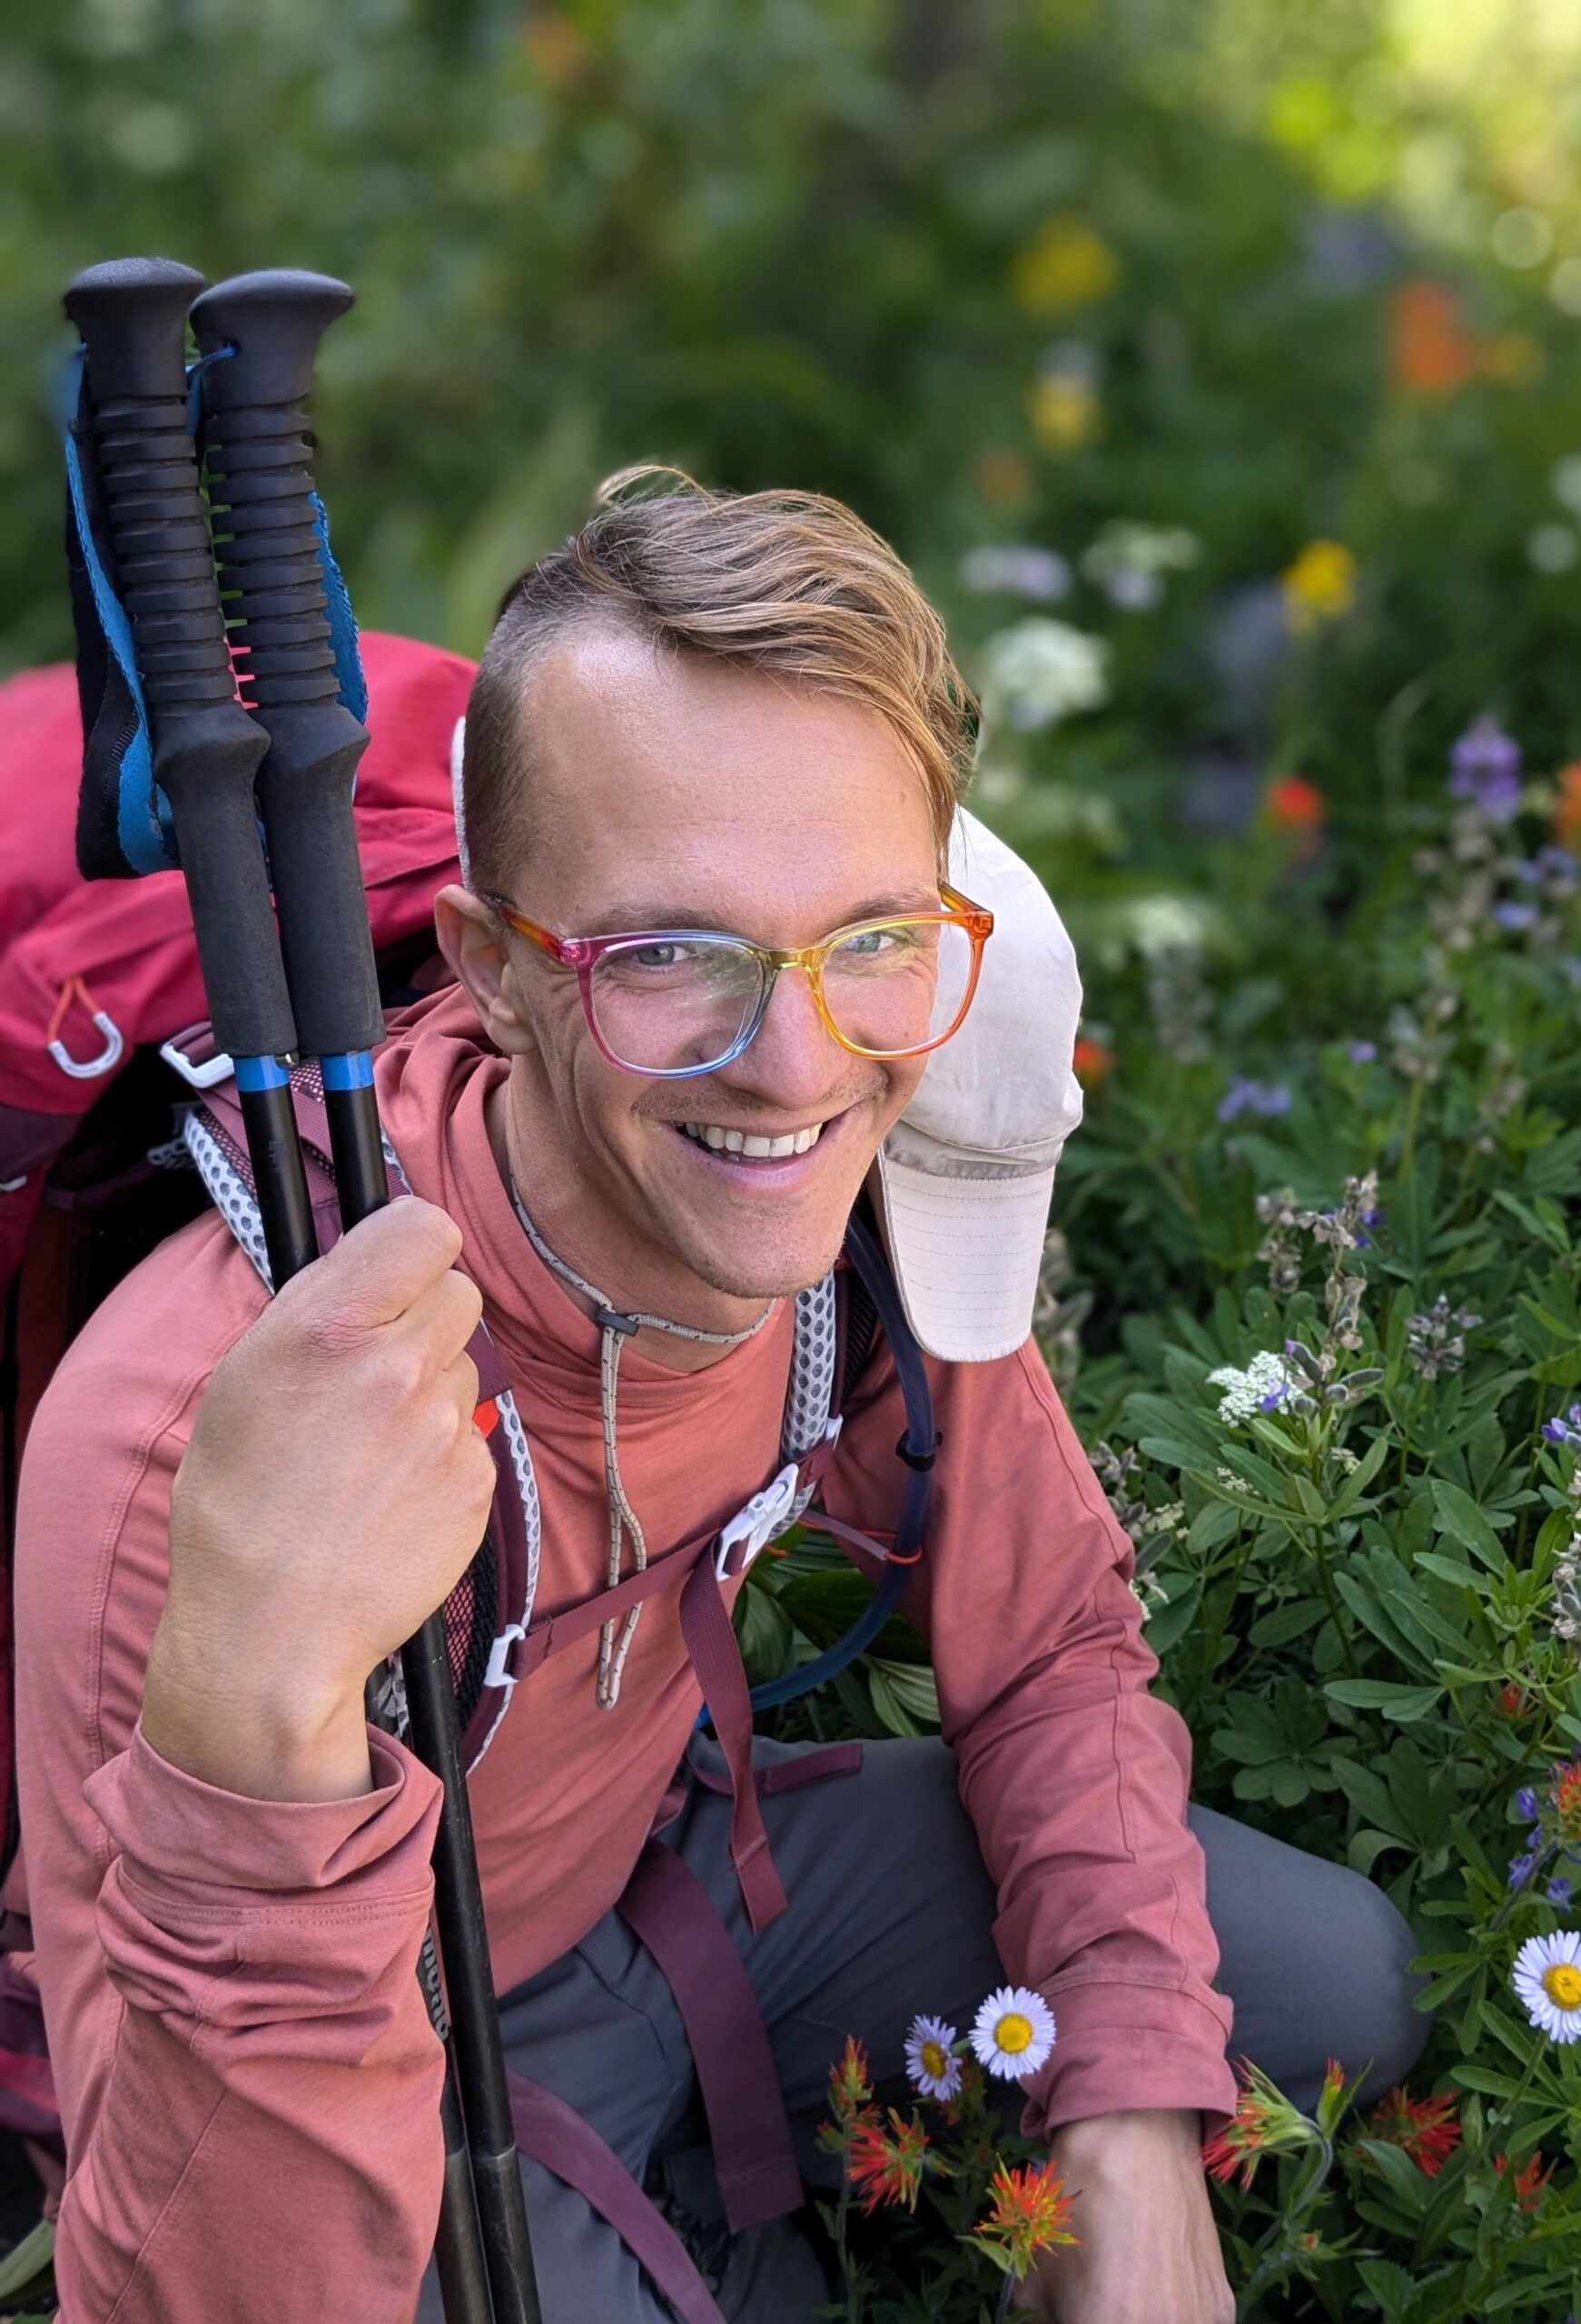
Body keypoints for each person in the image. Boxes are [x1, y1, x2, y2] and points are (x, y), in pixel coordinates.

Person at [14, 470, 1428, 2324]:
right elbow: (201, 2280)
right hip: (348, 2054)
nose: (797, 1059)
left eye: (868, 937)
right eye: (670, 950)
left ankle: (680, 2157)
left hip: (655, 1867)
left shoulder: (865, 1170)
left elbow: (1054, 1637)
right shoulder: (206, 1442)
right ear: (498, 973)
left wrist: (1131, 2124)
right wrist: (249, 1701)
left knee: (1337, 1981)